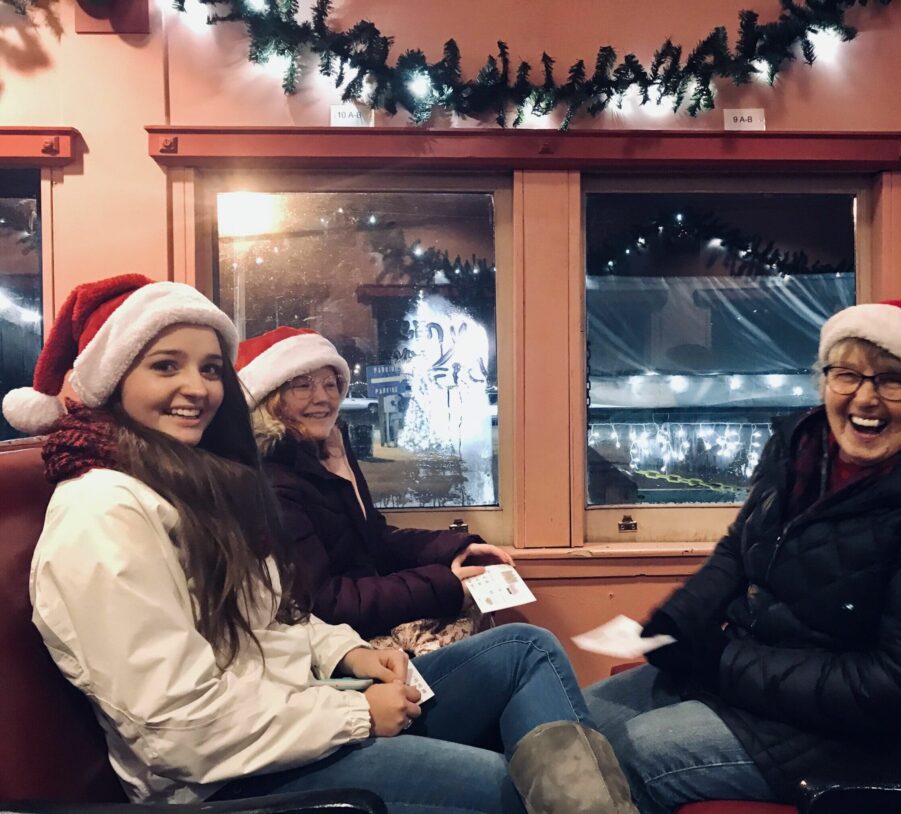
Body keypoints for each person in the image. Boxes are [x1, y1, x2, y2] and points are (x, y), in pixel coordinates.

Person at [5, 274, 637, 814]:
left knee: (524, 649)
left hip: (296, 712)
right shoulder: (104, 514)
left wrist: (347, 653)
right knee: (516, 788)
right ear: (112, 381)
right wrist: (358, 715)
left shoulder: (197, 485)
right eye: (165, 366)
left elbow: (275, 617)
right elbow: (178, 730)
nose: (196, 388)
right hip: (233, 780)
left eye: (210, 368)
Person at [583, 300, 901, 813]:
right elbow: (740, 548)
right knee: (576, 719)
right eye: (847, 374)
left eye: (893, 381)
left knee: (627, 753)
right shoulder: (799, 450)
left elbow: (899, 685)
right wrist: (679, 619)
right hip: (755, 691)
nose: (865, 397)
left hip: (856, 743)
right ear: (825, 380)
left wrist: (719, 659)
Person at [236, 326, 512, 653]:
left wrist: (453, 548)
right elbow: (326, 602)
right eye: (303, 385)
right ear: (269, 398)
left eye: (330, 384)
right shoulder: (269, 481)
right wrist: (444, 586)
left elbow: (373, 540)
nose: (322, 398)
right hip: (335, 650)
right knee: (523, 644)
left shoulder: (328, 451)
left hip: (361, 628)